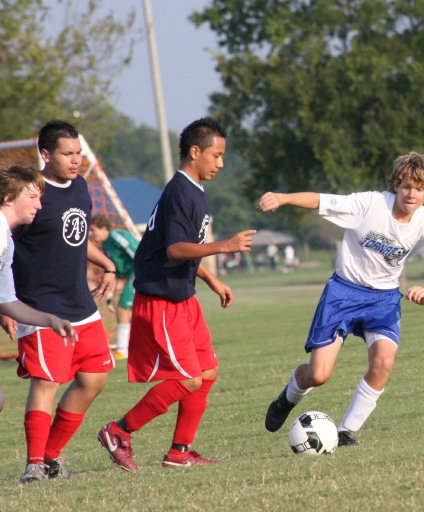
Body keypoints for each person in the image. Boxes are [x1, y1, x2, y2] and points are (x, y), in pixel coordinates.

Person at [257, 152, 424, 446]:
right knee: (319, 374)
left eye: (418, 188)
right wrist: (282, 198)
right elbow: (320, 200)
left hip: (383, 300)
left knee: (384, 362)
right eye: (405, 185)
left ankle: (344, 431)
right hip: (343, 293)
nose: (410, 193)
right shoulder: (370, 204)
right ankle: (287, 398)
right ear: (395, 186)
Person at [97, 117, 255, 472]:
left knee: (208, 371)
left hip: (183, 298)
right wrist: (225, 245)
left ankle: (180, 452)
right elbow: (175, 249)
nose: (220, 163)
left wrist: (212, 280)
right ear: (195, 152)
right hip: (162, 301)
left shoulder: (192, 190)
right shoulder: (182, 192)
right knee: (187, 379)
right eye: (216, 155)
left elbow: (186, 246)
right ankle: (118, 431)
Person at [5, 121, 118, 484]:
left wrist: (108, 265)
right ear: (45, 154)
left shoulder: (81, 187)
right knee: (46, 382)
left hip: (81, 306)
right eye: (67, 154)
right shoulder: (29, 194)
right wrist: (6, 307)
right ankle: (34, 464)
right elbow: (7, 245)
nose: (76, 161)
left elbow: (78, 234)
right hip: (39, 307)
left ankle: (51, 457)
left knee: (94, 379)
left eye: (78, 153)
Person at [0, 165, 79, 415]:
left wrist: (51, 320)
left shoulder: (7, 241)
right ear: (9, 198)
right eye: (32, 197)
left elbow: (7, 302)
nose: (39, 206)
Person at [89, 214, 139, 360]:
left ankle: (123, 351)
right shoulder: (105, 245)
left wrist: (144, 273)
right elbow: (114, 271)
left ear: (104, 228)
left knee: (123, 309)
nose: (91, 234)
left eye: (93, 229)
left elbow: (137, 252)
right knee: (128, 312)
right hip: (130, 277)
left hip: (137, 275)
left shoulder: (117, 236)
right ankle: (133, 346)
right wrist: (110, 294)